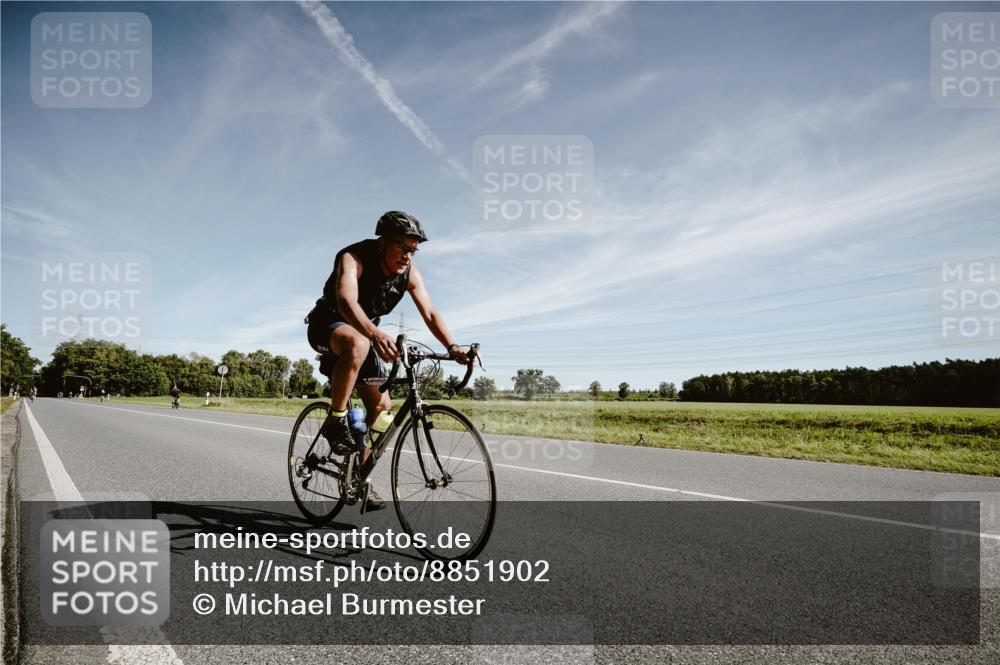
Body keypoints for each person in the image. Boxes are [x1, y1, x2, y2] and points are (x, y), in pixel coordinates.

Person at [306, 211, 469, 510]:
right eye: (402, 248)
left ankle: (359, 476)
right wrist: (375, 333)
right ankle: (335, 420)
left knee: (382, 410)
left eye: (413, 250)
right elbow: (346, 302)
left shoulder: (410, 274)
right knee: (357, 341)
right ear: (382, 242)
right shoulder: (352, 257)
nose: (408, 256)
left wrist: (453, 345)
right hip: (328, 325)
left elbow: (430, 313)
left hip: (366, 337)